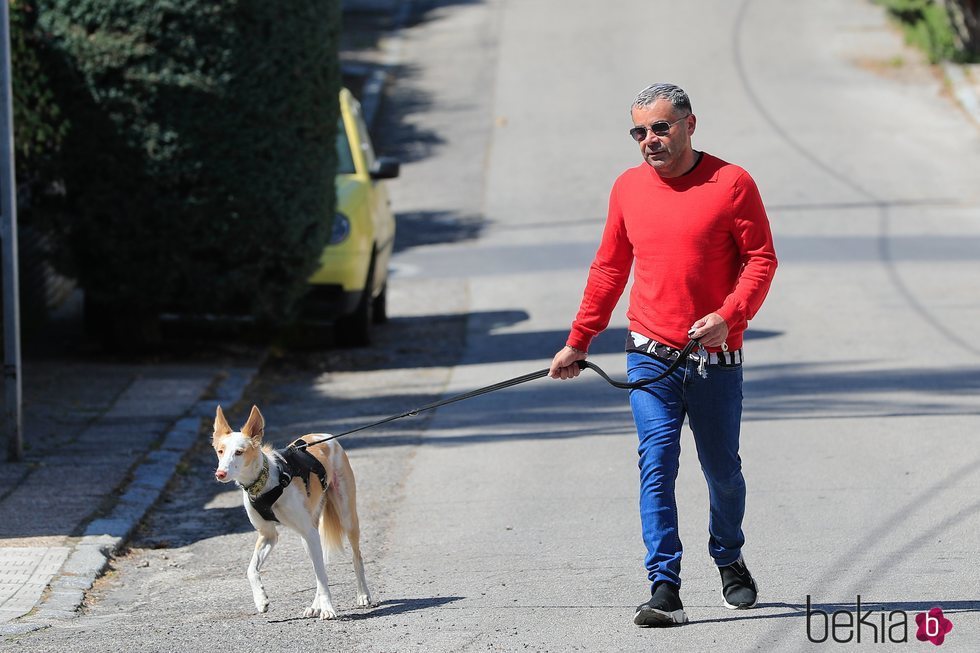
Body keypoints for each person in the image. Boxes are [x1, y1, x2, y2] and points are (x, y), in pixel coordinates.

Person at [549, 83, 777, 627]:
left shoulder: (732, 183)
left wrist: (730, 315)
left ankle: (728, 555)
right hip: (649, 352)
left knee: (722, 471)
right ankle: (664, 586)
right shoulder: (628, 188)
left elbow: (761, 259)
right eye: (639, 131)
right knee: (657, 463)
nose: (649, 139)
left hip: (714, 354)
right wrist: (579, 340)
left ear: (689, 124)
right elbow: (609, 269)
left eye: (660, 127)